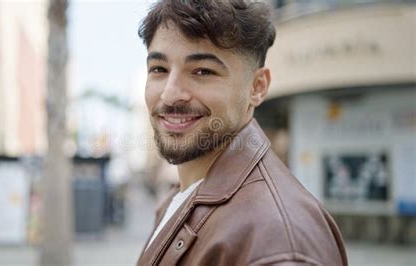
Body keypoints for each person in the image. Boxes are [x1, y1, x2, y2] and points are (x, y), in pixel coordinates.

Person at [137, 0, 348, 265]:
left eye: (203, 71)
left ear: (257, 87)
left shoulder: (280, 239)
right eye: (159, 69)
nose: (169, 94)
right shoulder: (181, 196)